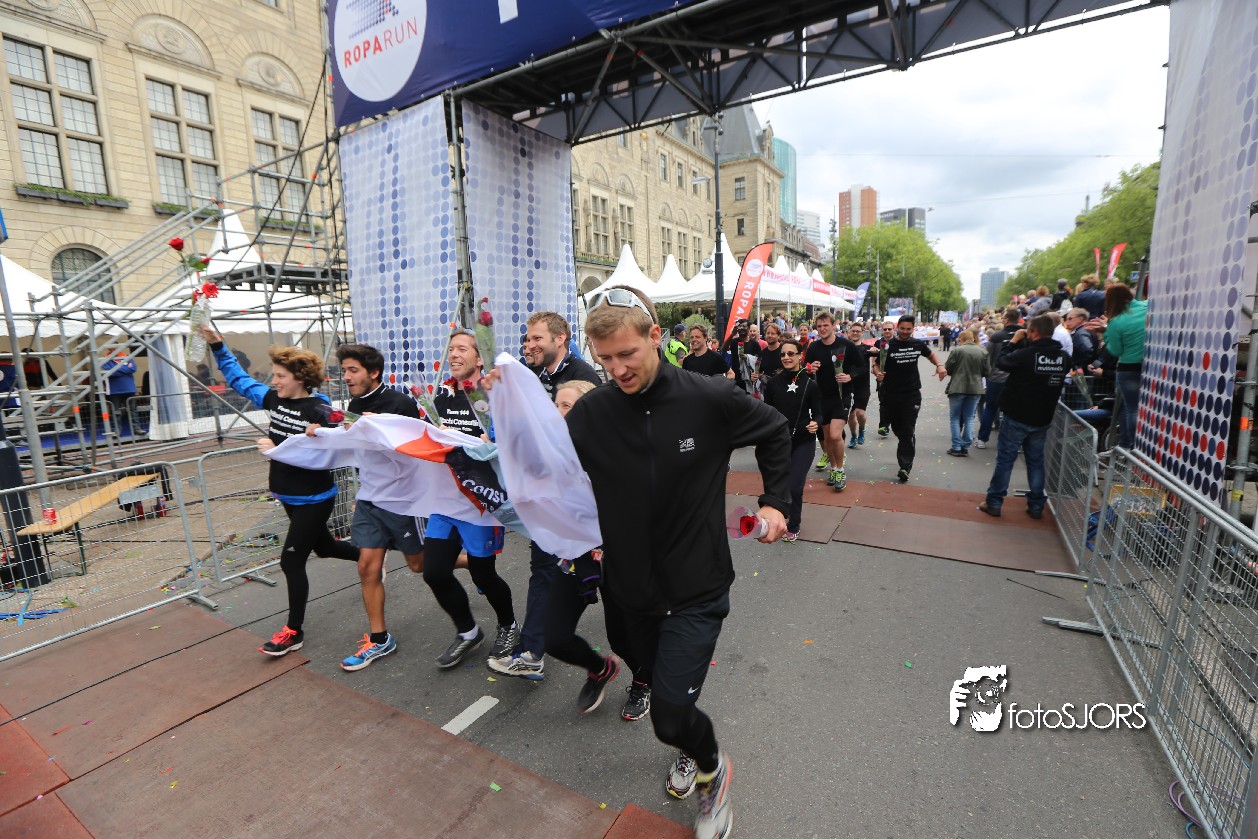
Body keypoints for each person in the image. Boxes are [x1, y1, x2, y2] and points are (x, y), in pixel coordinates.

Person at [562, 292, 791, 838]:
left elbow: (775, 430)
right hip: (627, 588)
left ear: (654, 337)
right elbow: (552, 473)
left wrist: (776, 502)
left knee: (666, 716)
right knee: (652, 678)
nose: (617, 369)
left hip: (696, 587)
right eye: (605, 359)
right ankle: (687, 727)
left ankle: (712, 769)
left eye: (626, 354)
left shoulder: (709, 397)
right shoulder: (593, 412)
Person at [202, 325, 360, 656]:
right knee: (326, 548)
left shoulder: (318, 408)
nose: (274, 381)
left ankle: (293, 632)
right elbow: (239, 380)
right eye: (274, 375)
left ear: (300, 378)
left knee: (291, 561)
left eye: (280, 376)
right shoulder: (273, 399)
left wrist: (324, 429)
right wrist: (217, 345)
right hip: (287, 495)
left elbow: (347, 428)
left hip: (315, 499)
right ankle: (372, 557)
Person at [315, 343, 430, 672]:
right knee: (367, 567)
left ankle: (473, 564)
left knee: (419, 565)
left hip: (402, 500)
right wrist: (321, 434)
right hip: (370, 499)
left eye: (353, 370)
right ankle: (380, 640)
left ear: (374, 372)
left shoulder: (400, 403)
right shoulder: (354, 405)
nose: (346, 377)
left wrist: (381, 426)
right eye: (344, 371)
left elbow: (417, 447)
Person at [424, 330, 520, 668]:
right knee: (434, 572)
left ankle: (508, 625)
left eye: (462, 348)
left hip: (481, 504)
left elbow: (514, 444)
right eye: (451, 349)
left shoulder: (492, 396)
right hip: (446, 502)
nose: (453, 354)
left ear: (479, 358)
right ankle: (468, 632)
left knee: (483, 575)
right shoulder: (442, 397)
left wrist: (491, 443)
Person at [977, 314, 1067, 519]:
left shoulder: (1025, 355)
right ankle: (1036, 505)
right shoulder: (1063, 357)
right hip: (1042, 417)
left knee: (1005, 461)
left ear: (1033, 332)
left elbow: (1002, 362)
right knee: (1035, 462)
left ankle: (994, 502)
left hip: (1017, 415)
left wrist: (1013, 342)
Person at [870, 316, 947, 483]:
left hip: (911, 394)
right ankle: (907, 444)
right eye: (902, 328)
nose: (905, 332)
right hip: (890, 394)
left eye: (908, 329)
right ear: (898, 327)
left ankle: (905, 466)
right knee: (898, 429)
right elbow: (875, 364)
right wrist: (877, 373)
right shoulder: (887, 345)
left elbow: (931, 354)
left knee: (907, 430)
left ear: (913, 329)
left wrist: (940, 365)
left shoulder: (917, 344)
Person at [762, 338, 820, 543]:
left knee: (795, 486)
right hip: (779, 442)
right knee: (778, 484)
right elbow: (767, 412)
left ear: (800, 356)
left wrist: (816, 423)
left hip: (804, 441)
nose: (786, 357)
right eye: (783, 354)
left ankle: (794, 524)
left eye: (790, 354)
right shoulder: (773, 384)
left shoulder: (810, 384)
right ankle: (776, 519)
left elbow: (819, 413)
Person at [804, 311, 860, 491]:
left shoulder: (846, 345)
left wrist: (850, 376)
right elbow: (805, 368)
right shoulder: (814, 347)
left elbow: (861, 366)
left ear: (834, 325)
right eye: (819, 326)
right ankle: (834, 468)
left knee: (836, 435)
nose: (822, 329)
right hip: (821, 397)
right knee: (827, 437)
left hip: (842, 396)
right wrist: (810, 368)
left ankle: (840, 470)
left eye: (825, 325)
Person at [1099, 283, 1146, 449]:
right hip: (1149, 367)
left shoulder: (1116, 322)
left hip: (1128, 368)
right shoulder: (1148, 307)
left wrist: (1104, 335)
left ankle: (1131, 445)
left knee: (1131, 408)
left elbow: (1116, 351)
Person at [522, 310, 601, 394]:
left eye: (537, 338)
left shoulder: (583, 376)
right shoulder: (535, 373)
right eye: (529, 340)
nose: (530, 346)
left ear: (560, 339)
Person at [975, 309, 1021, 449]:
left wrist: (986, 373)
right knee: (1013, 411)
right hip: (1017, 378)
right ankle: (1012, 442)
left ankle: (982, 439)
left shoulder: (997, 337)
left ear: (1006, 320)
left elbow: (987, 357)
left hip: (996, 378)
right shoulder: (1025, 335)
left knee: (990, 408)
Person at [944, 330, 990, 456]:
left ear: (961, 339)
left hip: (957, 387)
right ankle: (965, 445)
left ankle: (956, 446)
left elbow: (948, 368)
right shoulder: (983, 351)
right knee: (969, 417)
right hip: (975, 387)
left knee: (955, 418)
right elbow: (987, 371)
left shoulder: (957, 351)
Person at [844, 322, 873, 448]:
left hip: (863, 386)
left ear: (862, 333)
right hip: (848, 386)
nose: (855, 333)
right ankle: (853, 435)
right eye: (853, 331)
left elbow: (883, 356)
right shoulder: (844, 348)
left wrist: (877, 352)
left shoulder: (867, 349)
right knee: (850, 415)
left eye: (858, 331)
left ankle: (861, 429)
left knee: (860, 413)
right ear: (849, 332)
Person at [101, 350, 138, 434]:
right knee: (115, 411)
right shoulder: (105, 359)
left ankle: (137, 428)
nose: (114, 350)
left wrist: (115, 369)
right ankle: (117, 430)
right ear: (109, 349)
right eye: (112, 349)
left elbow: (133, 369)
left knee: (133, 410)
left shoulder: (127, 357)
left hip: (129, 388)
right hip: (114, 390)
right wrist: (126, 369)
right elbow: (109, 373)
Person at [721, 318, 760, 395]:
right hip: (736, 377)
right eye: (739, 326)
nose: (741, 328)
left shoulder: (754, 344)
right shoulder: (734, 342)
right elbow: (724, 349)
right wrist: (732, 334)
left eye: (744, 326)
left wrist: (756, 372)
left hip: (749, 378)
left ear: (748, 328)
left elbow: (758, 360)